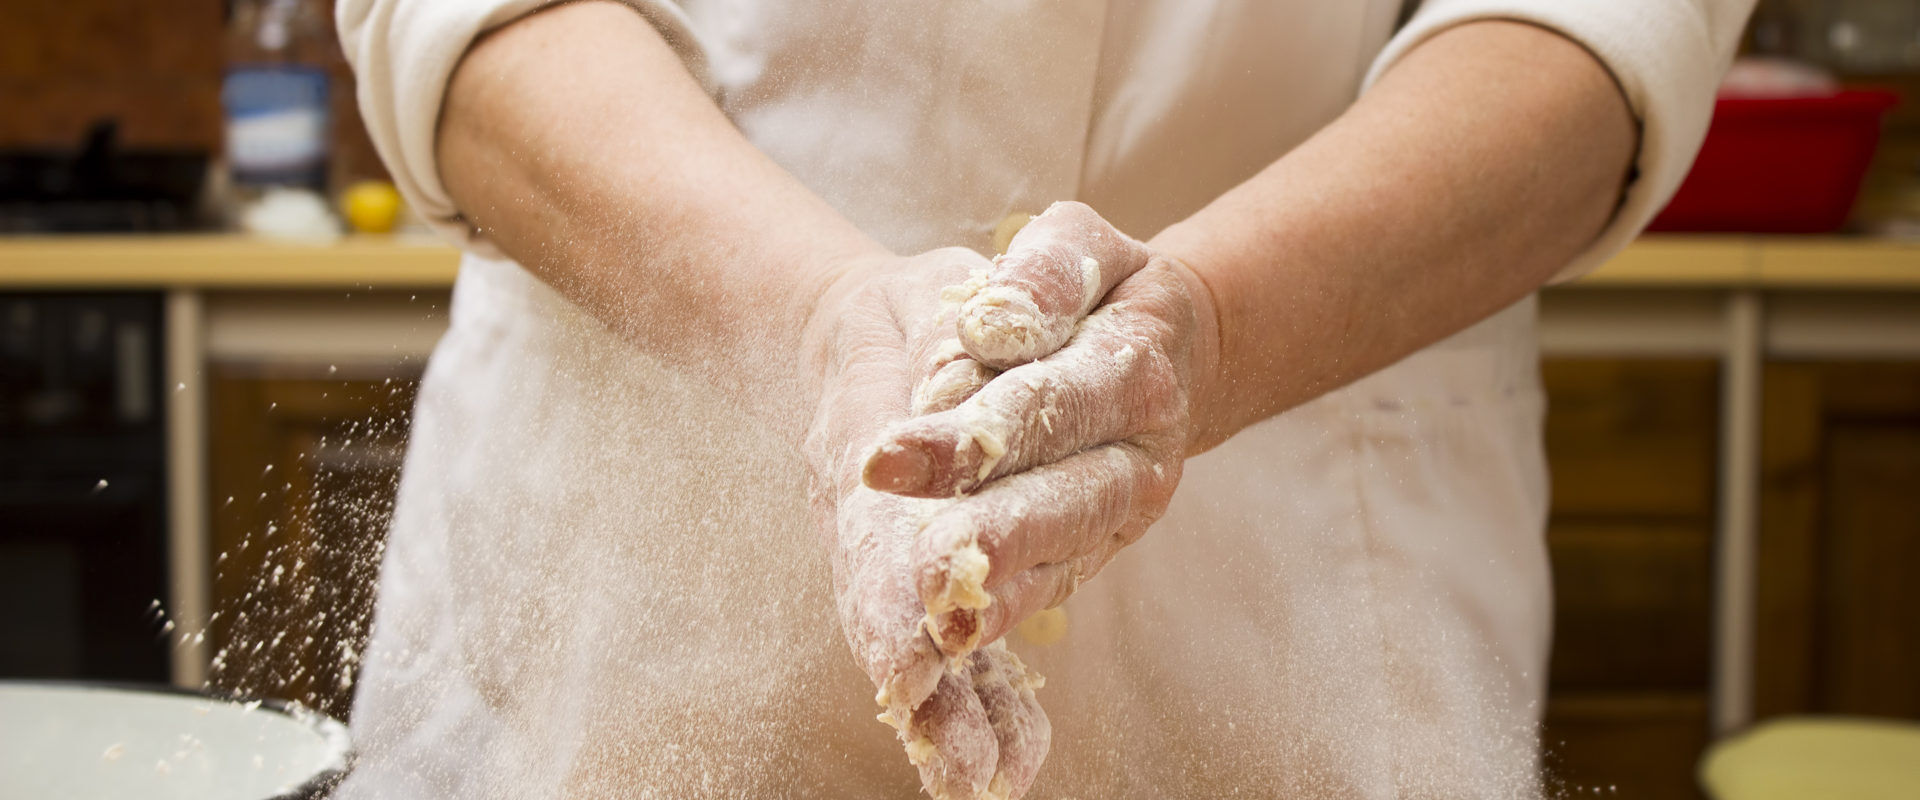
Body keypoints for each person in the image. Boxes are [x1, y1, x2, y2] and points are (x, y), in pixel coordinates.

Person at [333, 0, 1752, 797]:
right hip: (640, 560)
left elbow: (1602, 27)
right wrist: (820, 325)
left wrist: (1215, 325)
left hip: (1311, 530)